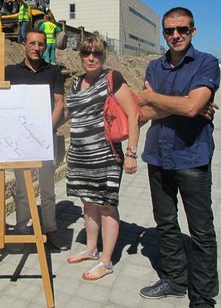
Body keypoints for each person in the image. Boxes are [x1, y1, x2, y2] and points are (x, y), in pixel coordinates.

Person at [137, 7, 220, 307]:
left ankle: (202, 299)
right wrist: (189, 103)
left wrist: (155, 98)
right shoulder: (154, 67)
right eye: (170, 31)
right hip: (158, 156)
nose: (176, 35)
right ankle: (174, 280)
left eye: (182, 30)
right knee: (166, 223)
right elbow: (144, 112)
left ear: (192, 31)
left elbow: (187, 108)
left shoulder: (207, 64)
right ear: (163, 33)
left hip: (192, 158)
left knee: (201, 232)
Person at [64, 33, 140, 281]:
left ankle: (106, 262)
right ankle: (90, 249)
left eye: (96, 53)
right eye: (86, 52)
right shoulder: (76, 82)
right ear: (80, 56)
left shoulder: (112, 78)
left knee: (107, 207)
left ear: (104, 56)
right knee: (88, 203)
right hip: (81, 155)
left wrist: (131, 153)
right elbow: (69, 113)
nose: (91, 57)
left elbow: (133, 115)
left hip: (107, 156)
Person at [0, 29, 67, 251]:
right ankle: (22, 229)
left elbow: (59, 104)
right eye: (32, 43)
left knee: (47, 189)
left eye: (41, 44)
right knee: (22, 188)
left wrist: (46, 131)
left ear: (45, 47)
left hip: (45, 139)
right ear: (24, 45)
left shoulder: (53, 72)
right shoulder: (9, 72)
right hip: (20, 142)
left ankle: (50, 229)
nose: (37, 48)